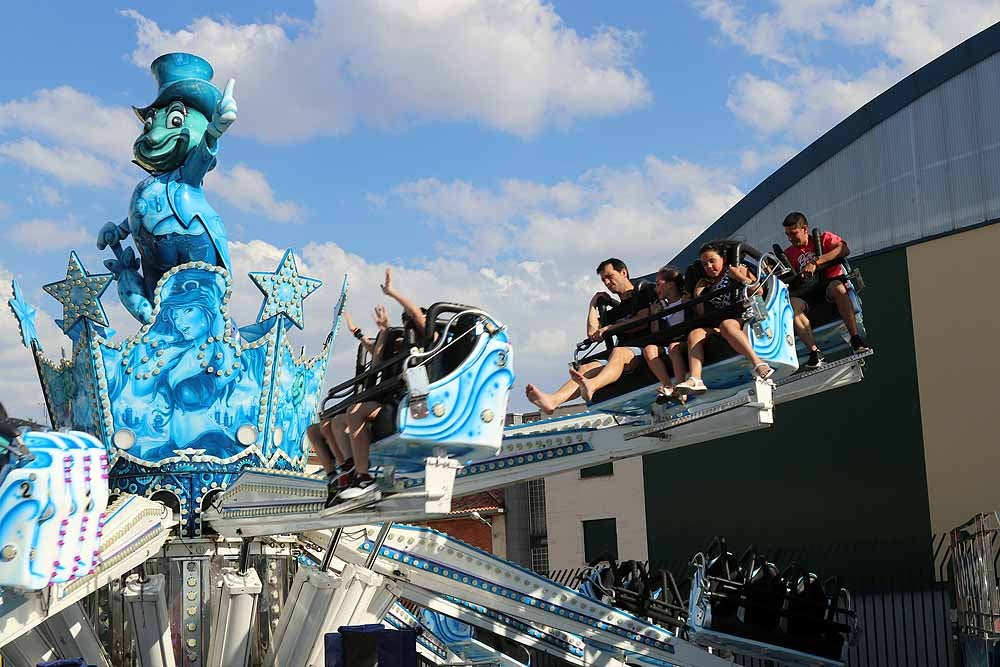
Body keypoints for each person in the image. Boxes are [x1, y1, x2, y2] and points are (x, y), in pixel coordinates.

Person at [338, 269, 428, 503]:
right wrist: (360, 334)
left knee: (356, 412)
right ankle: (345, 474)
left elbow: (418, 316)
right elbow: (375, 351)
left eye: (411, 325)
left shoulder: (433, 343)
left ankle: (363, 476)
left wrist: (393, 293)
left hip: (419, 404)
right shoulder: (404, 351)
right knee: (338, 421)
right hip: (402, 402)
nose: (408, 330)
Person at [526, 258, 655, 411]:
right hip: (620, 355)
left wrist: (609, 328)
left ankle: (592, 385)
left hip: (645, 348)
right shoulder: (616, 311)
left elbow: (643, 319)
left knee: (619, 352)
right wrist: (593, 304)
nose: (607, 283)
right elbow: (593, 333)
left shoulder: (643, 291)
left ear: (624, 273)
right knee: (586, 368)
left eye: (610, 276)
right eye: (603, 280)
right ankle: (553, 401)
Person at [308, 306, 390, 507]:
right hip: (375, 401)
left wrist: (386, 330)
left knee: (339, 420)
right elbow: (376, 352)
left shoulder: (412, 352)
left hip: (388, 403)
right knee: (316, 429)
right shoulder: (386, 355)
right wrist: (357, 333)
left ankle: (354, 472)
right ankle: (335, 478)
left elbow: (379, 352)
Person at [674, 241, 773, 396]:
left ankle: (758, 363)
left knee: (727, 325)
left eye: (712, 261)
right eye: (705, 264)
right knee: (695, 334)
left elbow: (758, 291)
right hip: (723, 322)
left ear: (723, 259)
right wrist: (698, 293)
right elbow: (702, 313)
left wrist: (740, 276)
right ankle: (696, 379)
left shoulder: (736, 269)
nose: (709, 267)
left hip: (746, 316)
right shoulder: (709, 284)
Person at [781, 212, 871, 367]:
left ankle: (855, 339)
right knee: (792, 305)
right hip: (808, 294)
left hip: (829, 285)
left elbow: (843, 249)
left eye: (793, 233)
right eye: (787, 235)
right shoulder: (789, 254)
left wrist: (816, 263)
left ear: (804, 229)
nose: (790, 238)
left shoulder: (824, 239)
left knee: (838, 288)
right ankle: (814, 351)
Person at [643, 266, 689, 400]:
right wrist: (656, 315)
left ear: (671, 284)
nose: (656, 289)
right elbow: (656, 333)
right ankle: (668, 385)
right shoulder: (663, 309)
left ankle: (681, 388)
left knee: (673, 347)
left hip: (683, 340)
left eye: (658, 284)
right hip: (667, 341)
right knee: (649, 349)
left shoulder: (684, 300)